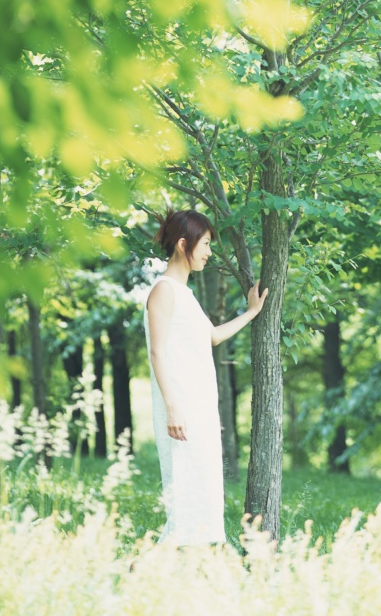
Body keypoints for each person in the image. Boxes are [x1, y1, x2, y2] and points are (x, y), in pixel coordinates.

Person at [143, 207, 268, 545]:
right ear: (184, 244)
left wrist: (252, 312)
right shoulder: (164, 290)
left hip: (198, 408)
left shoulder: (184, 294)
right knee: (185, 492)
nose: (210, 253)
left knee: (202, 491)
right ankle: (149, 565)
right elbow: (157, 353)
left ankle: (174, 565)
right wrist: (173, 409)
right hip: (180, 410)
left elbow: (211, 336)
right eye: (206, 244)